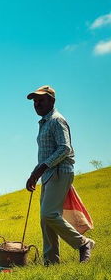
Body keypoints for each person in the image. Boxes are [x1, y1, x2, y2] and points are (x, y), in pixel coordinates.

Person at [25, 85, 94, 264]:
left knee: (49, 214)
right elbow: (47, 153)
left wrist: (42, 168)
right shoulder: (44, 123)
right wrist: (34, 174)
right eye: (35, 101)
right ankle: (51, 261)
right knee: (45, 218)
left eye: (41, 100)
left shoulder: (57, 120)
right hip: (48, 174)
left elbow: (65, 148)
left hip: (59, 172)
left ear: (52, 101)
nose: (37, 104)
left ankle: (83, 244)